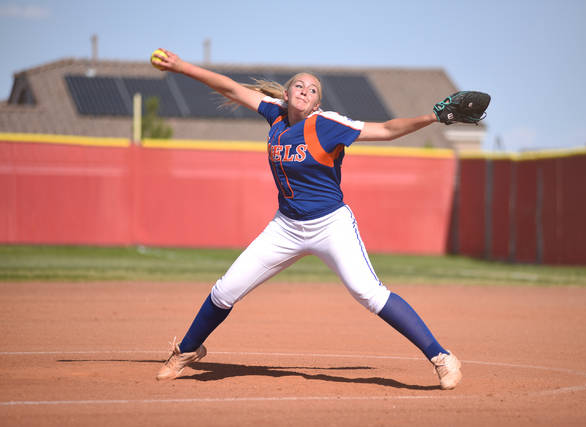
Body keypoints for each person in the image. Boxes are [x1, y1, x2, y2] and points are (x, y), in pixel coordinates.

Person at [152, 48, 462, 390]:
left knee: (369, 293)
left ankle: (441, 357)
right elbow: (229, 88)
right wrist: (181, 67)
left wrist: (434, 118)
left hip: (330, 224)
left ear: (316, 103)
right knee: (225, 290)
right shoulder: (275, 114)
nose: (304, 91)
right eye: (298, 86)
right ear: (286, 95)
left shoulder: (328, 125)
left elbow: (388, 130)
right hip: (285, 227)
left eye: (312, 89)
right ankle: (188, 350)